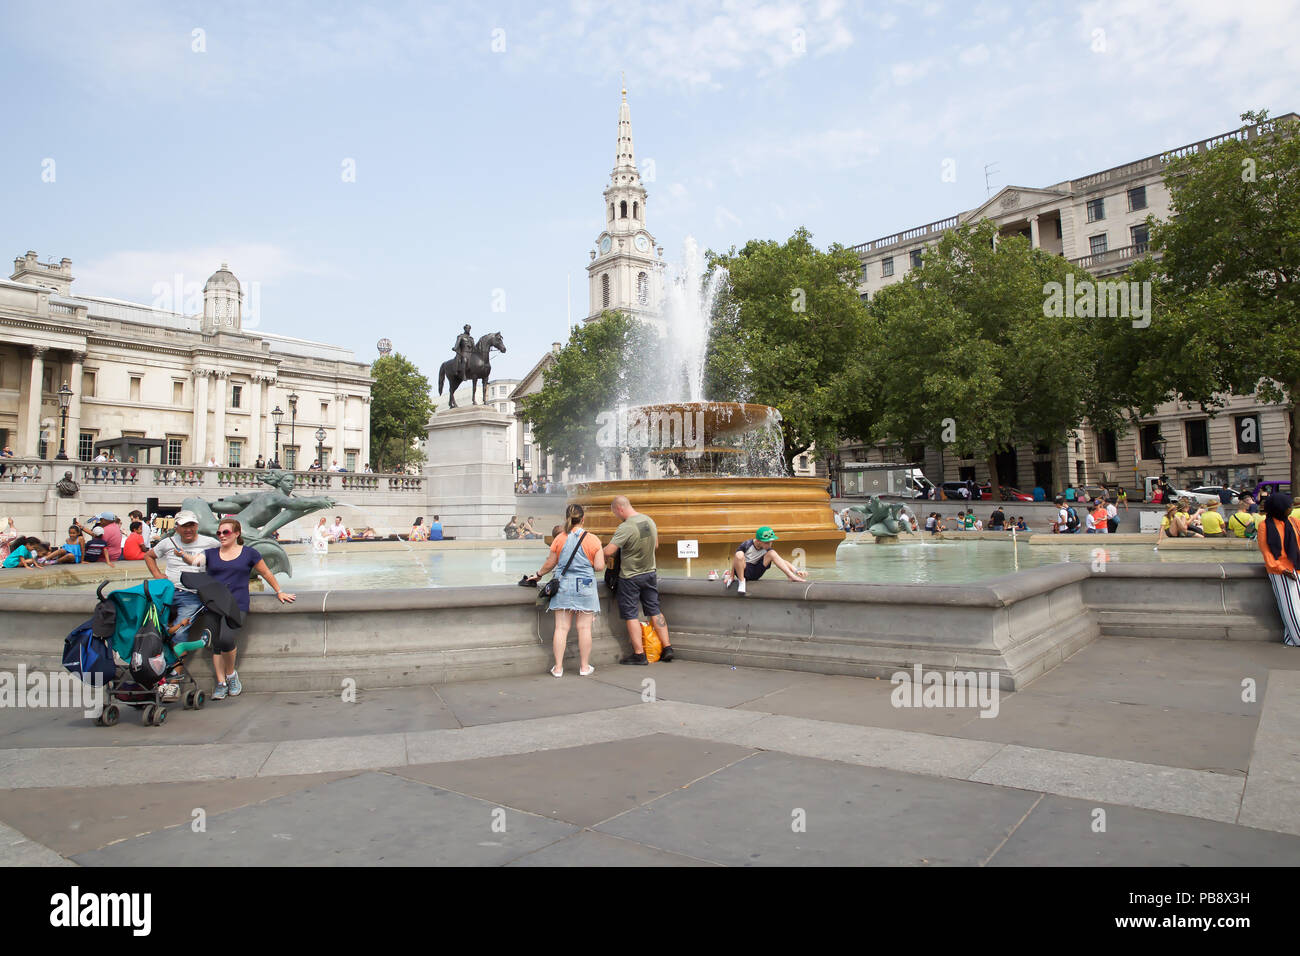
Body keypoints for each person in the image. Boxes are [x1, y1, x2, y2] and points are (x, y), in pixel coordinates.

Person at [178, 517, 295, 700]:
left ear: (237, 533)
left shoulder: (250, 553)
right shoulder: (210, 553)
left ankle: (231, 675)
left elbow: (265, 572)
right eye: (219, 533)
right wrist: (184, 556)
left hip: (236, 604)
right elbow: (195, 561)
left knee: (226, 639)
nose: (222, 536)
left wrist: (279, 591)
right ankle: (220, 683)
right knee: (214, 643)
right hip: (213, 604)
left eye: (226, 532)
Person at [525, 503, 605, 677]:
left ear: (567, 518)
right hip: (585, 586)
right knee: (584, 628)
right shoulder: (593, 540)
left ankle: (558, 668)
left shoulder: (560, 538)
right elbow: (599, 566)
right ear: (583, 519)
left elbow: (550, 563)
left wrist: (538, 575)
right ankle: (584, 667)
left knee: (561, 628)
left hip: (564, 585)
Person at [602, 495, 673, 665]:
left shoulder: (625, 527)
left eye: (615, 513)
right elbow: (655, 546)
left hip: (630, 576)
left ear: (620, 508)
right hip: (649, 573)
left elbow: (608, 551)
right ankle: (668, 647)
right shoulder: (648, 521)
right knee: (654, 610)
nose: (616, 516)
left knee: (631, 615)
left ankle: (639, 654)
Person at [143, 510, 219, 645]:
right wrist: (157, 575)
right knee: (152, 627)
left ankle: (175, 664)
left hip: (193, 594)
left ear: (197, 526)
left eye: (192, 525)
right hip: (168, 591)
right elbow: (149, 556)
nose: (188, 529)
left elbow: (225, 558)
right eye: (184, 526)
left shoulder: (211, 543)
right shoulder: (167, 542)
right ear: (176, 527)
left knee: (179, 632)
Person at [1258, 493, 1300, 646]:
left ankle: (1291, 639)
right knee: (1291, 609)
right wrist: (1280, 569)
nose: (1291, 508)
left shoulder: (1294, 522)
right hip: (1280, 571)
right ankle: (1298, 638)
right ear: (1279, 508)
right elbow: (1266, 551)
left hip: (1297, 567)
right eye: (1288, 506)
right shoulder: (1264, 525)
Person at [723, 526, 807, 596]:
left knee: (772, 553)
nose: (769, 545)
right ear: (758, 541)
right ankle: (742, 582)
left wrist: (796, 571)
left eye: (771, 542)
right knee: (739, 554)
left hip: (756, 572)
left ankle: (791, 576)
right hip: (744, 571)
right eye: (767, 542)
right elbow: (736, 560)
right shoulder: (746, 545)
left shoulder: (767, 549)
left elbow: (782, 561)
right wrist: (731, 575)